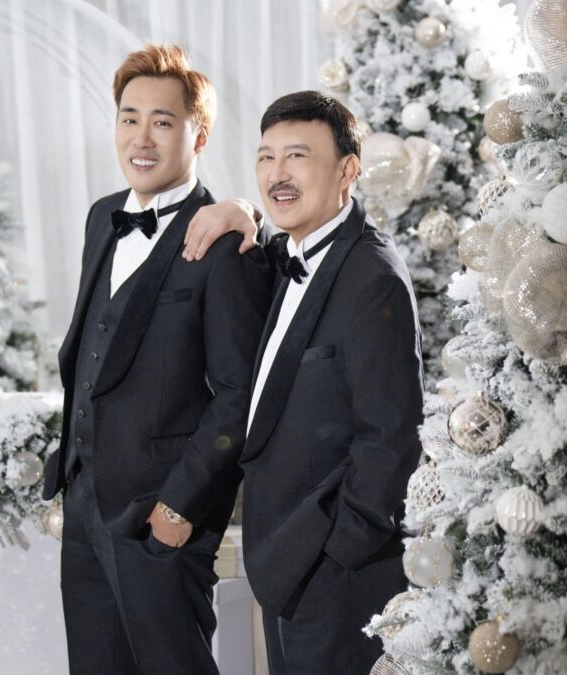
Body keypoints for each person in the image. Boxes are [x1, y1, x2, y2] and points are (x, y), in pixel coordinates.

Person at [40, 43, 271, 674]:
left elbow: (240, 395)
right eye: (129, 118)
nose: (141, 138)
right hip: (85, 506)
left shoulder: (225, 241)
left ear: (199, 135)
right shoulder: (101, 218)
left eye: (163, 122)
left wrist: (179, 508)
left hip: (160, 518)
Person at [192, 90, 425, 674]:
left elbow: (390, 440)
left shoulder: (372, 277)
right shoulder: (289, 254)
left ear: (348, 170)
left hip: (337, 575)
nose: (278, 174)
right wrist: (240, 209)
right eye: (266, 157)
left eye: (297, 156)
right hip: (285, 567)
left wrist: (337, 552)